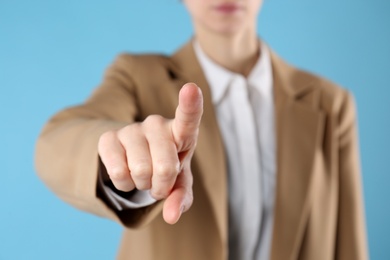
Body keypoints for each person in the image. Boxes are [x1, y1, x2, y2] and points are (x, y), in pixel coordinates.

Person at [35, 0, 368, 259]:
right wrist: (117, 150)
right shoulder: (137, 76)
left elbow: (349, 244)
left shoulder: (330, 103)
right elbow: (60, 141)